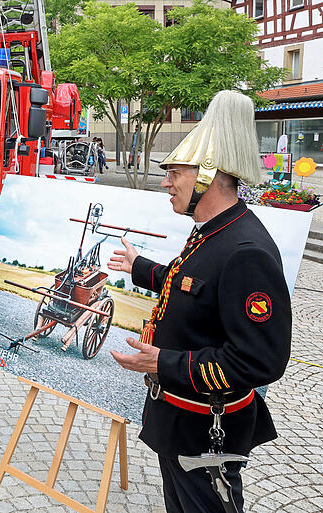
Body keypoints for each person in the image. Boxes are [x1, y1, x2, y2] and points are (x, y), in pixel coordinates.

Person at [107, 90, 291, 513]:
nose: (166, 182)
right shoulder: (212, 230)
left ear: (207, 176)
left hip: (208, 428)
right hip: (180, 420)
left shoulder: (247, 250)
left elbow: (260, 362)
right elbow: (193, 283)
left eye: (175, 172)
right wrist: (140, 267)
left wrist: (163, 363)